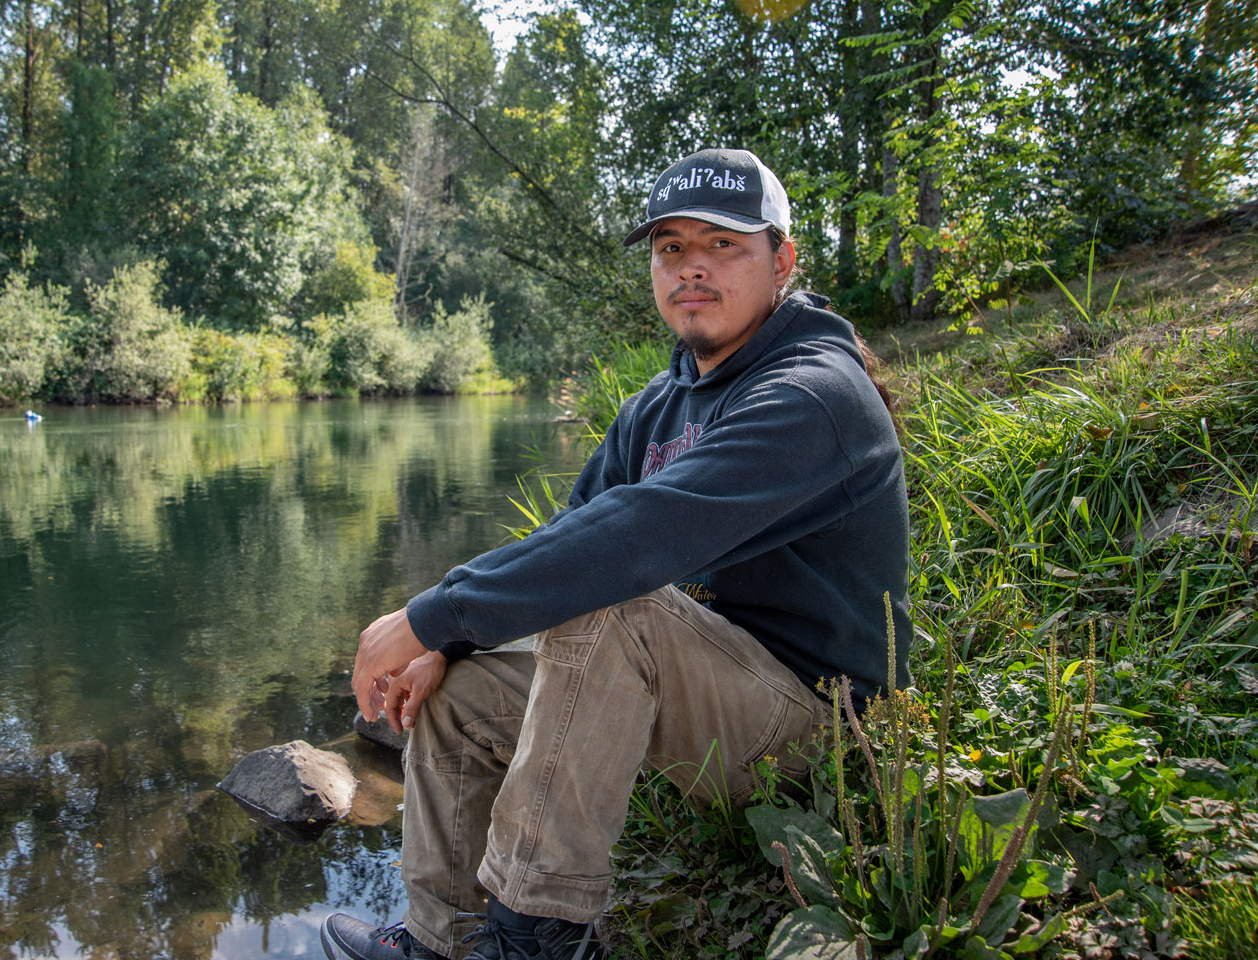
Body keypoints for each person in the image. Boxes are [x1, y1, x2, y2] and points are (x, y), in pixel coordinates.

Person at [321, 148, 912, 960]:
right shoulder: (658, 406)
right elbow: (570, 534)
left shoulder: (814, 393)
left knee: (616, 600)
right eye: (671, 248)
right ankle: (445, 938)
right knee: (456, 687)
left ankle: (539, 939)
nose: (691, 267)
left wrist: (430, 612)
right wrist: (447, 641)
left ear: (782, 261)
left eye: (722, 244)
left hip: (816, 736)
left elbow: (636, 535)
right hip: (702, 701)